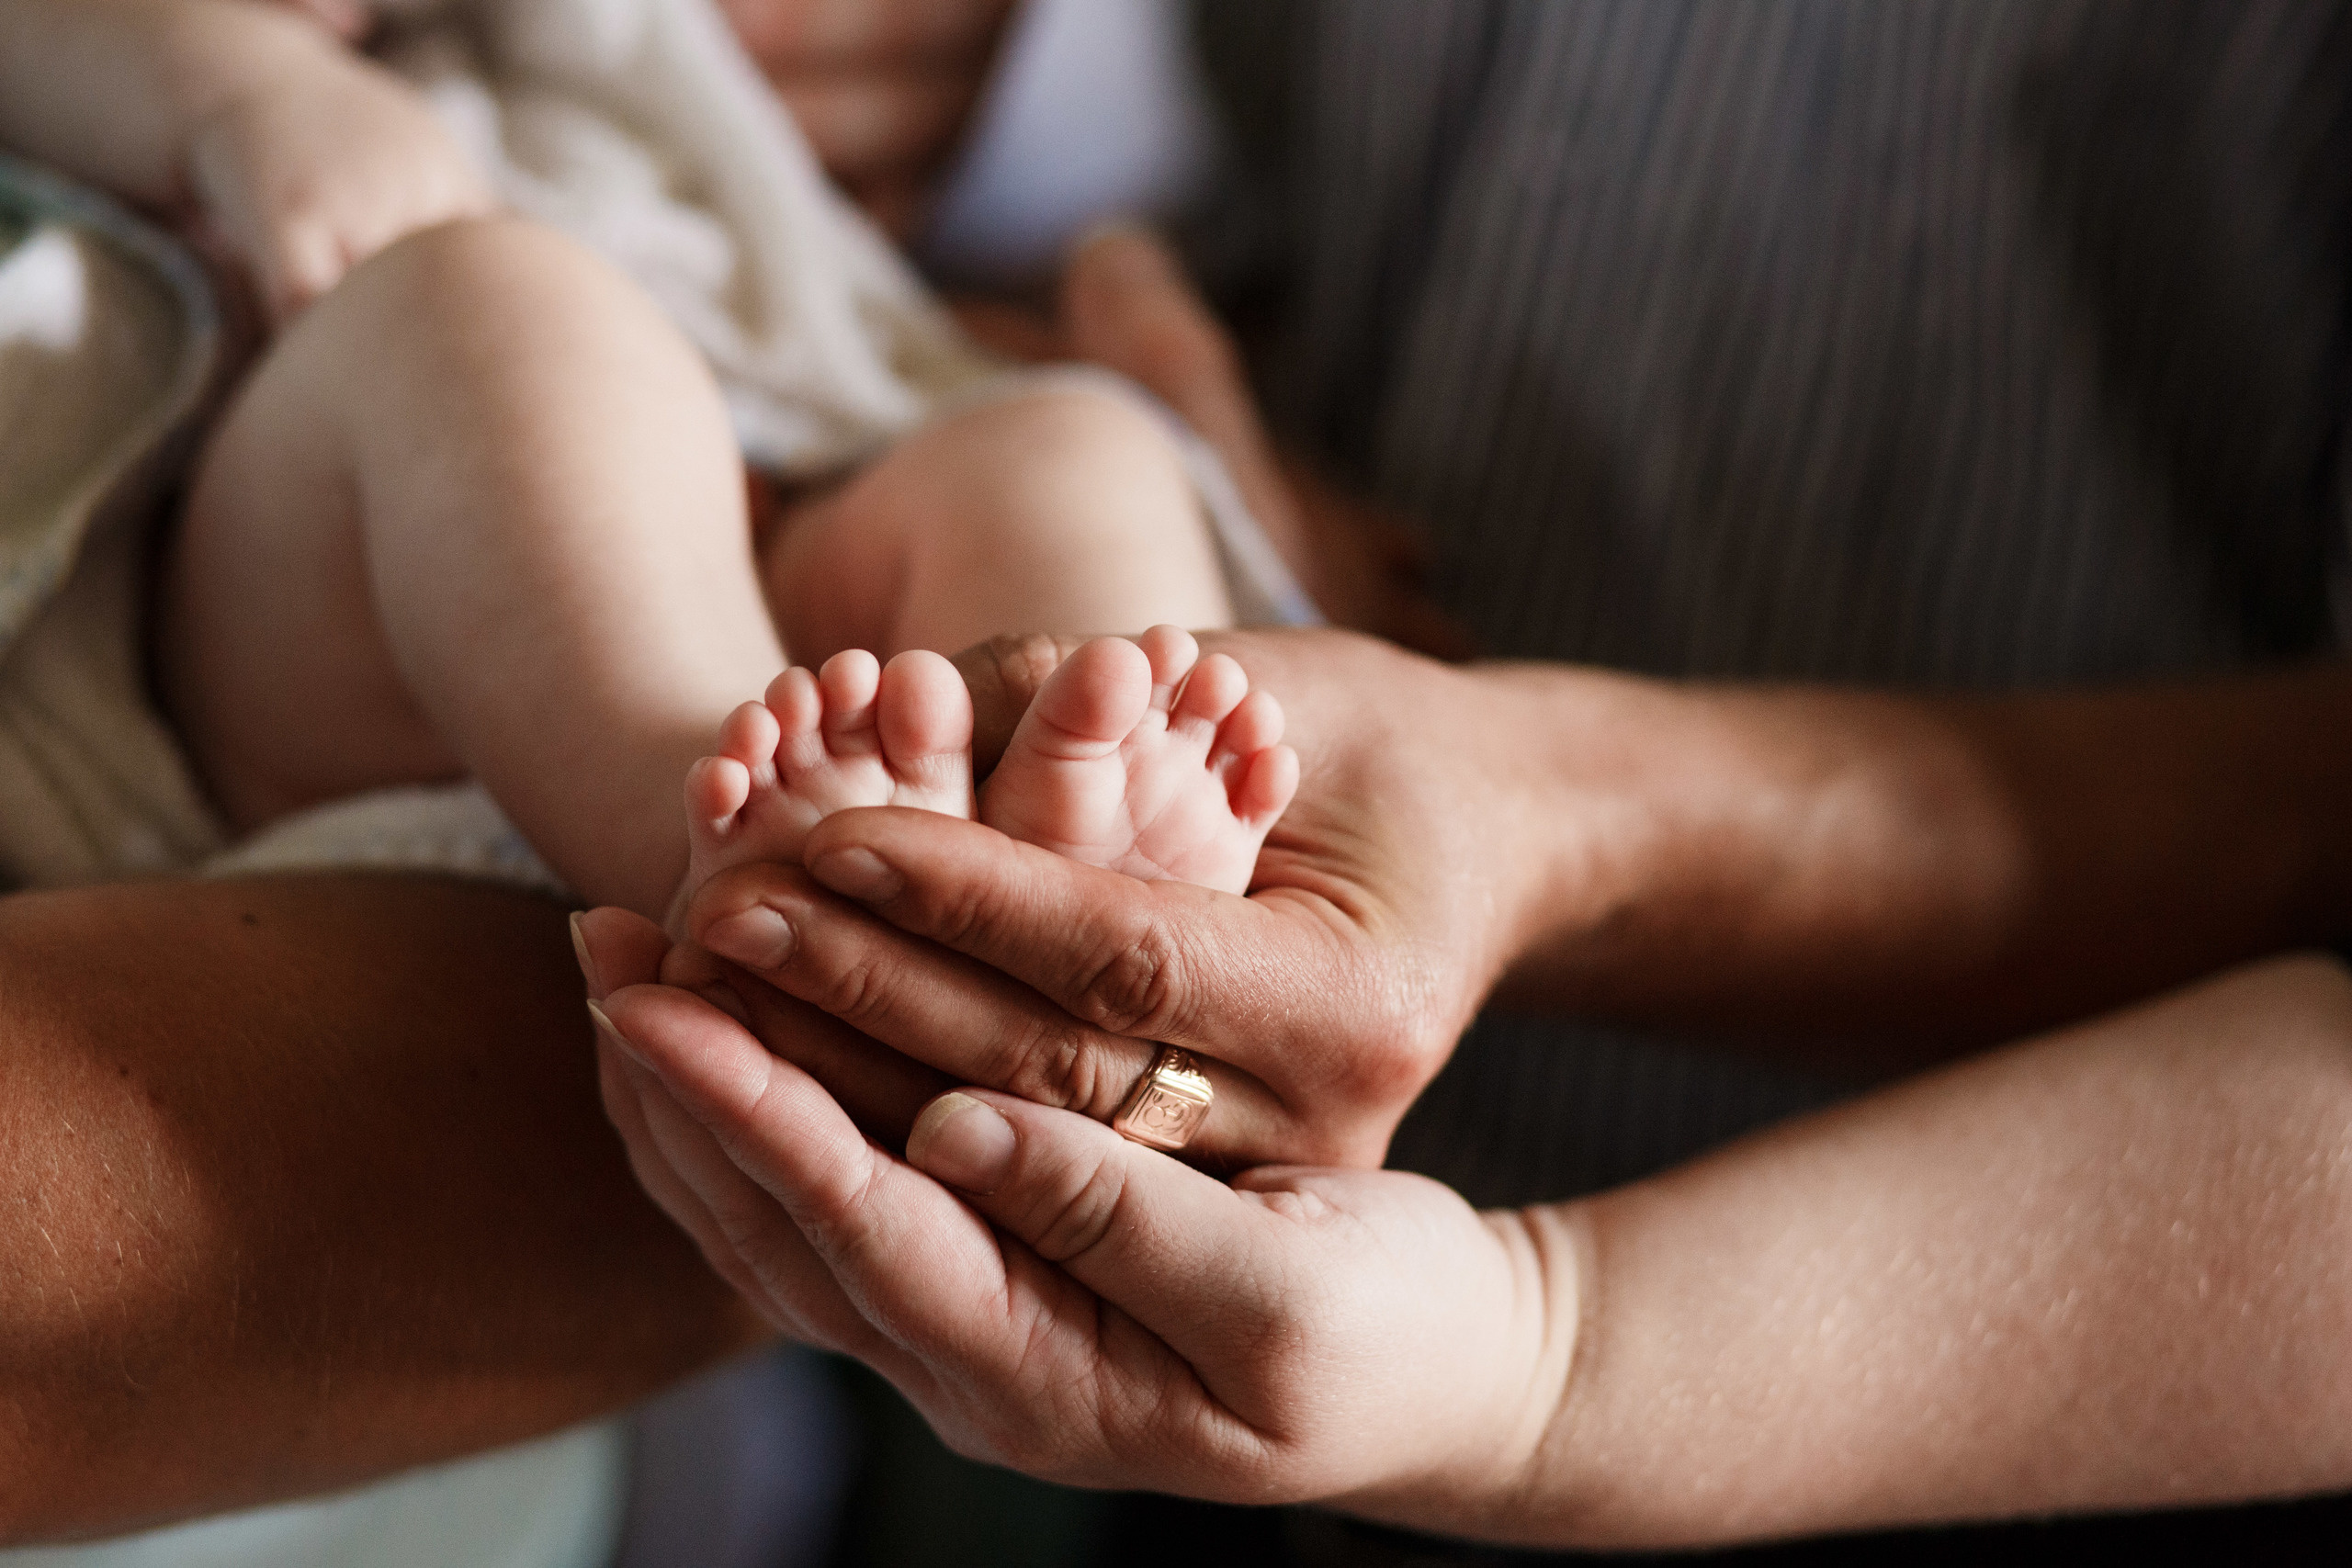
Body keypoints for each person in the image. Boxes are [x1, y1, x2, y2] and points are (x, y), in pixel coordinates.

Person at [571, 0, 2352, 1551]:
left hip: (1974, 1362)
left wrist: (1544, 1339)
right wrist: (1146, 310)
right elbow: (1245, 164)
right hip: (1260, 1318)